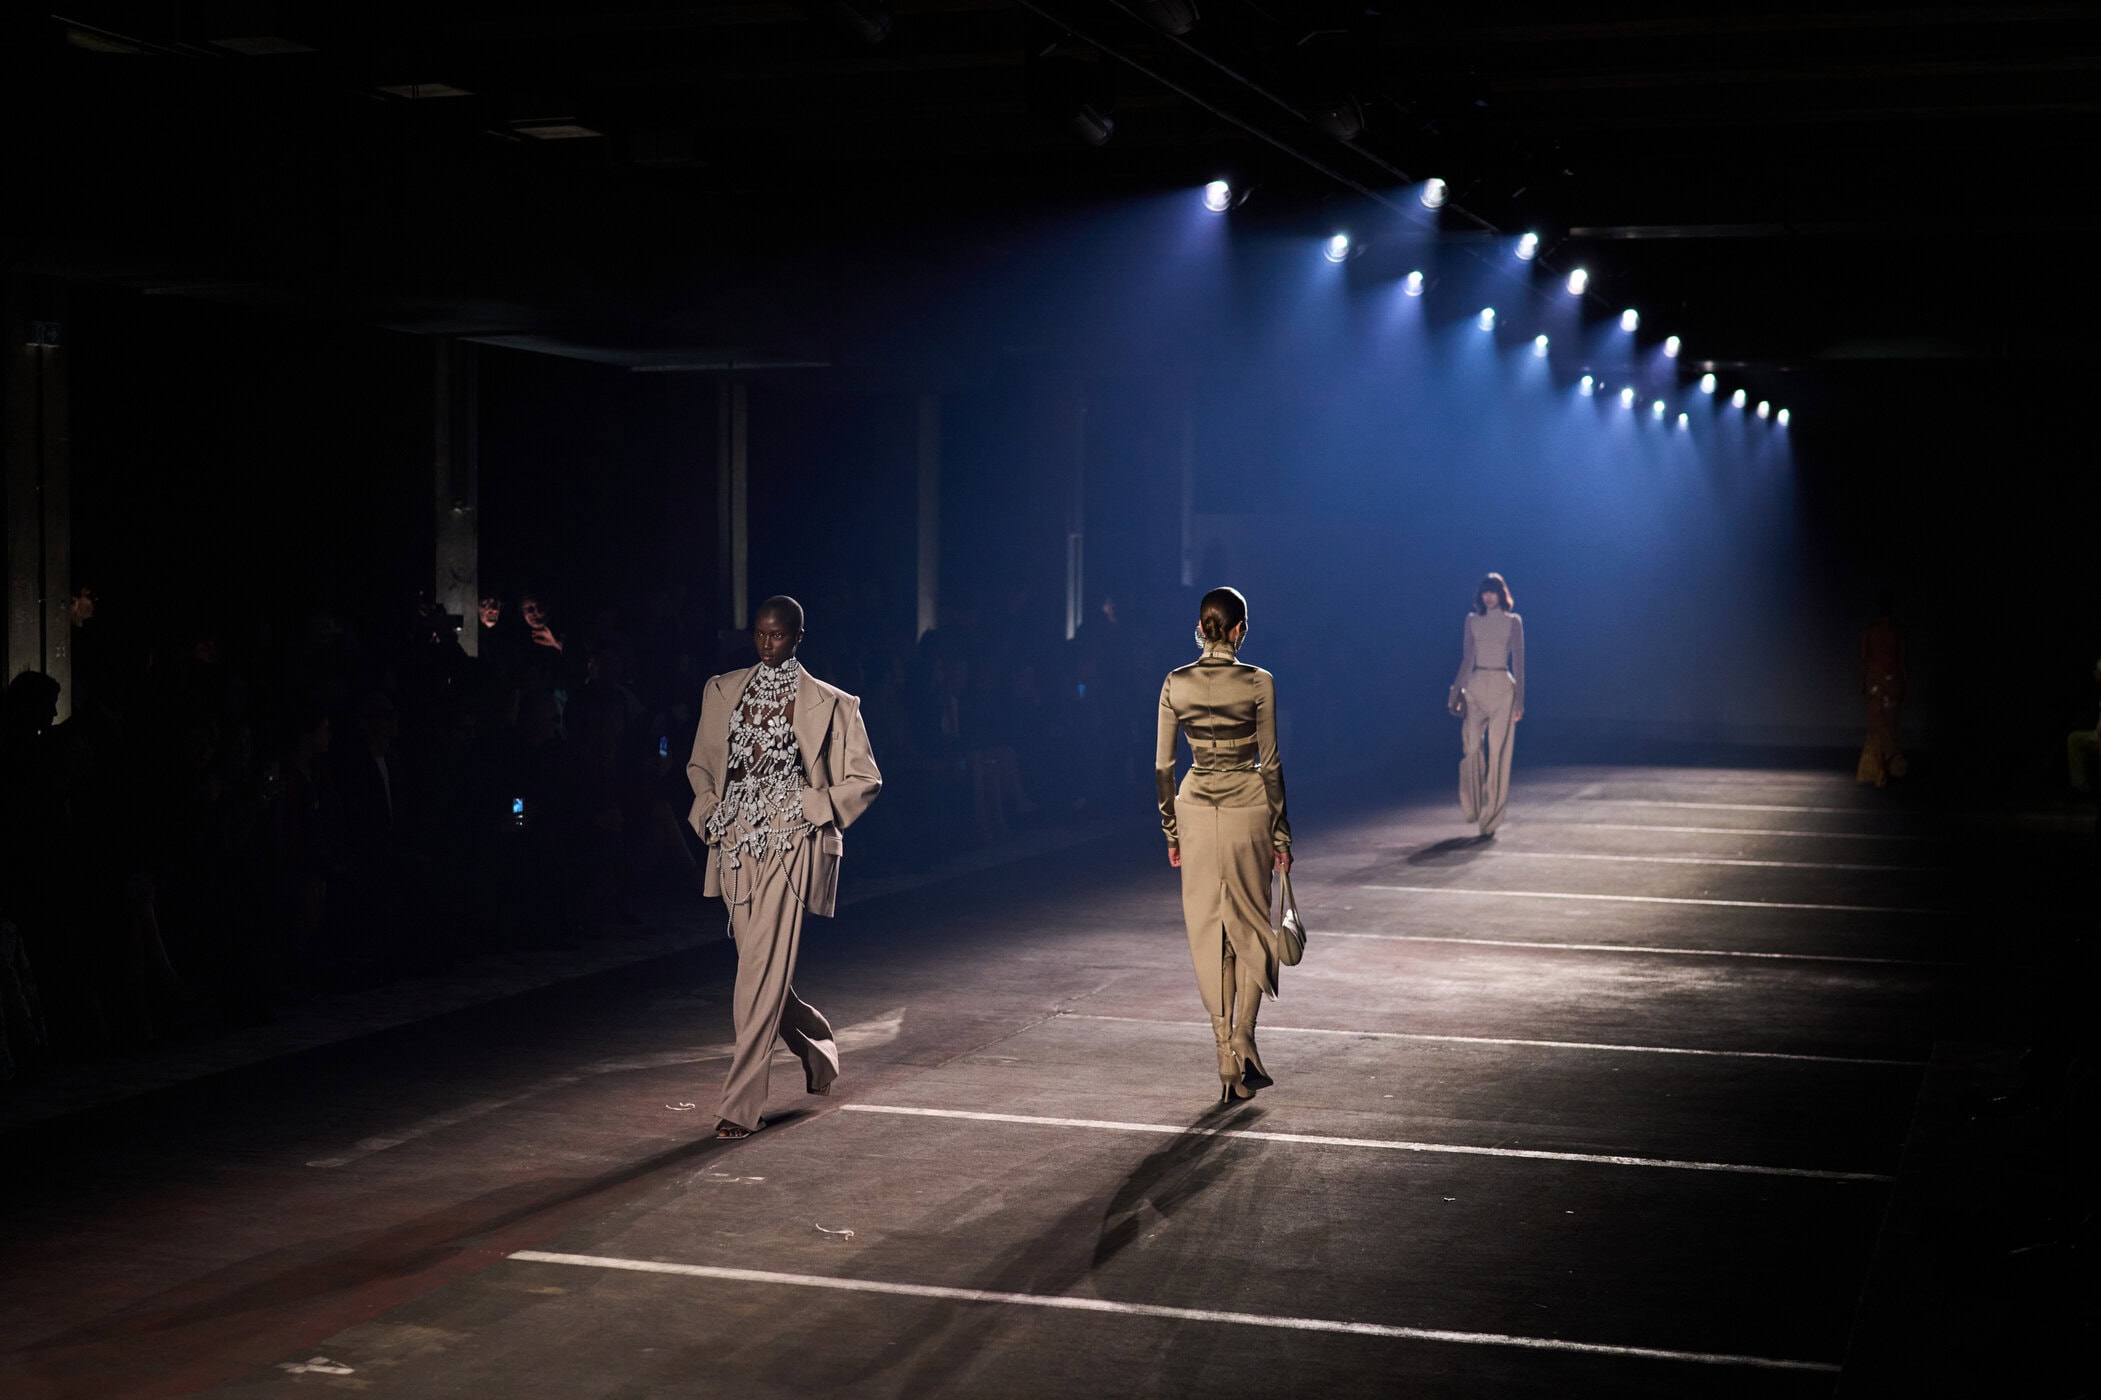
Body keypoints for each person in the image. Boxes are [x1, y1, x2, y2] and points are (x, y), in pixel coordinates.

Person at [687, 596, 881, 1139]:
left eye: (777, 635)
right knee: (762, 969)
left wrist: (811, 806)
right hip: (734, 842)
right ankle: (817, 1049)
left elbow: (866, 779)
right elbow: (701, 764)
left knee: (756, 973)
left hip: (791, 843)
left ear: (798, 637)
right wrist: (710, 811)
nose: (767, 644)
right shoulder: (722, 690)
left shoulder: (832, 703)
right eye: (760, 633)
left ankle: (740, 1105)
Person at [1155, 586, 1291, 1102]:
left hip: (1194, 807)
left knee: (1211, 931)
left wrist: (1171, 830)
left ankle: (1225, 1060)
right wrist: (1282, 834)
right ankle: (1244, 1037)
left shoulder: (1175, 682)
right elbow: (1270, 763)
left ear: (1200, 627)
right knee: (1251, 925)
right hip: (1247, 807)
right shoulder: (1259, 681)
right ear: (1239, 630)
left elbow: (1163, 767)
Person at [1449, 572, 1525, 836]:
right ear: (1480, 595)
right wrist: (1455, 691)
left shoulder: (1513, 622)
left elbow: (1519, 663)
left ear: (1501, 594)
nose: (1489, 597)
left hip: (1503, 689)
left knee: (1498, 753)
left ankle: (1490, 818)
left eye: (1493, 592)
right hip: (1476, 686)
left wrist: (1520, 700)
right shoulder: (1472, 620)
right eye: (1485, 592)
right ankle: (1472, 805)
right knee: (1471, 747)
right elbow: (1467, 658)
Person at [1856, 594, 1908, 787]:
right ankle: (1885, 768)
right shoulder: (1896, 632)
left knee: (1877, 727)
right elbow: (1901, 663)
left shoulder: (1871, 631)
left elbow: (1864, 660)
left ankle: (1879, 769)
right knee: (1888, 727)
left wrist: (1863, 682)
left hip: (1876, 682)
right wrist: (1906, 685)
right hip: (1890, 681)